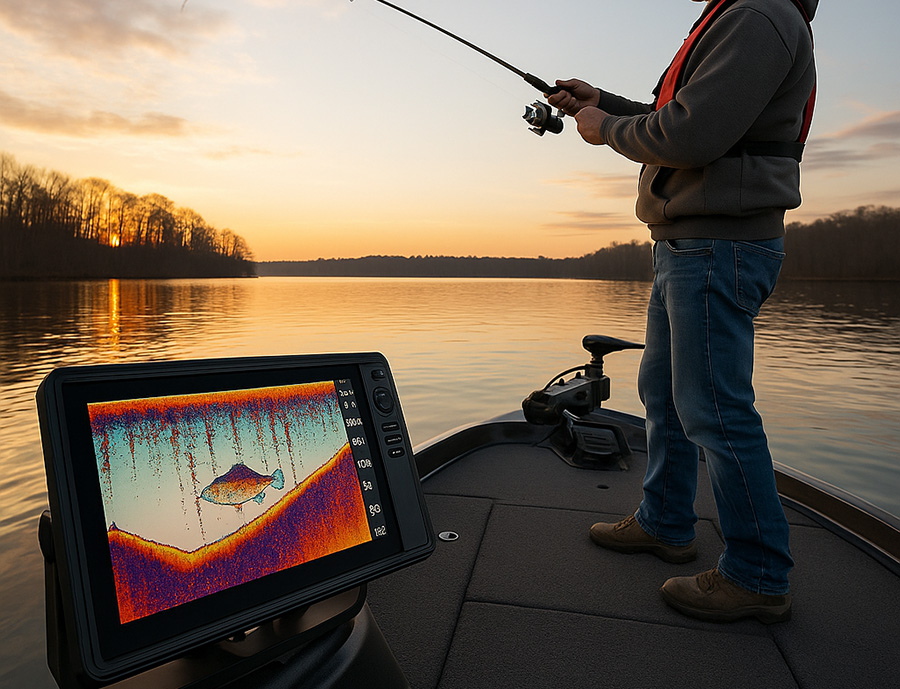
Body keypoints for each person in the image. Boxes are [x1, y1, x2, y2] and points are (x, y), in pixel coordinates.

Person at [547, 0, 817, 623]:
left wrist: (604, 129)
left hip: (718, 246)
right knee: (665, 395)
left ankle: (757, 574)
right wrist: (603, 102)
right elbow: (678, 117)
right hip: (687, 244)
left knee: (715, 409)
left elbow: (690, 136)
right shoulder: (744, 13)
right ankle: (665, 522)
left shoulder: (759, 15)